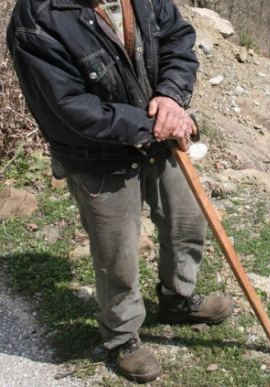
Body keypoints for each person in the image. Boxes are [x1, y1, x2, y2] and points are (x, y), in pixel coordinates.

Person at [7, 0, 235, 382]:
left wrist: (170, 98)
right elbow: (69, 108)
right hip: (97, 156)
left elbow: (177, 40)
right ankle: (122, 336)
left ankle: (177, 299)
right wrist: (155, 124)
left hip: (161, 136)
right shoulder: (37, 18)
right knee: (118, 253)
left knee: (186, 220)